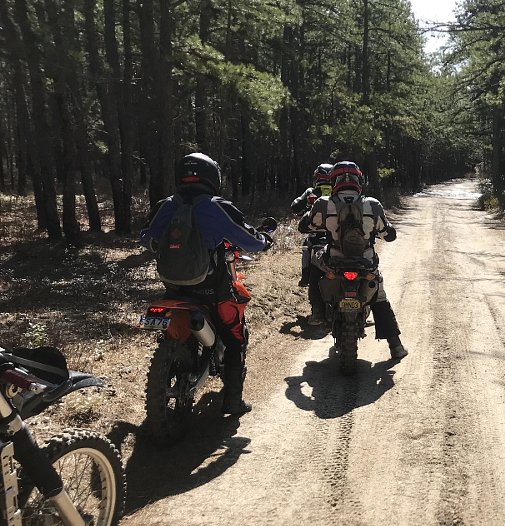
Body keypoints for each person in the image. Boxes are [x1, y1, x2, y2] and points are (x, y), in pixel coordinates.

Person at [139, 152, 275, 415]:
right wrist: (264, 241)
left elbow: (146, 237)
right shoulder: (215, 206)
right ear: (213, 176)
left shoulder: (166, 205)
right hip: (212, 291)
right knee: (235, 339)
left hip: (174, 289)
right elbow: (248, 239)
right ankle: (233, 403)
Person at [302, 161, 408, 360]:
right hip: (365, 263)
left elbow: (306, 226)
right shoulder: (373, 204)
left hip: (334, 262)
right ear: (360, 180)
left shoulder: (324, 203)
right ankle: (395, 346)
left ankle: (317, 312)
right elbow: (389, 235)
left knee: (315, 264)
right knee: (380, 296)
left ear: (334, 180)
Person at [291, 164, 335, 288]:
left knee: (306, 246)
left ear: (317, 177)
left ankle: (305, 277)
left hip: (315, 233)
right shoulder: (339, 192)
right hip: (335, 234)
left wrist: (306, 207)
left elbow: (295, 206)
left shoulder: (311, 192)